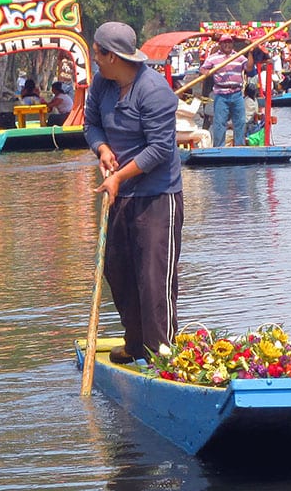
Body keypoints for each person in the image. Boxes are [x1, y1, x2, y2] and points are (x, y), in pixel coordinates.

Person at [83, 21, 183, 365]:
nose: (94, 58)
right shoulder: (102, 83)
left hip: (157, 195)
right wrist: (103, 149)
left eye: (97, 52)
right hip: (121, 193)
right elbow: (90, 124)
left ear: (111, 55)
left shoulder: (154, 91)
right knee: (118, 269)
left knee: (154, 278)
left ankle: (162, 354)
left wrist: (118, 177)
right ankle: (136, 342)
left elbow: (159, 150)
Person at [199, 34, 254, 146]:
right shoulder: (213, 58)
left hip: (237, 93)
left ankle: (239, 146)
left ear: (232, 44)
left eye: (229, 42)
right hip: (221, 94)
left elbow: (249, 67)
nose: (227, 45)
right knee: (219, 123)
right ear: (220, 44)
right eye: (224, 42)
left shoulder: (239, 56)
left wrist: (250, 52)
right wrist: (205, 72)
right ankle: (219, 147)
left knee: (240, 121)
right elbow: (203, 68)